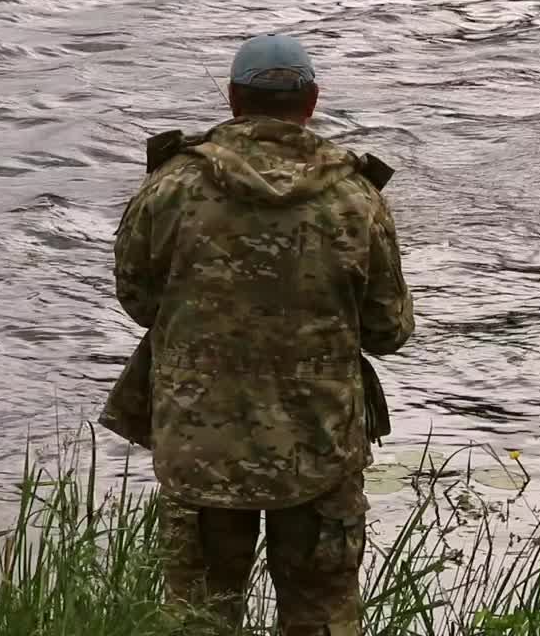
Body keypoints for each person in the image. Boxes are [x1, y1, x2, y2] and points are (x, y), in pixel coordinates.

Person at [110, 34, 415, 636]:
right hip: (319, 447)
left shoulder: (170, 187)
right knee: (321, 616)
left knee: (199, 618)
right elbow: (387, 332)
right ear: (312, 100)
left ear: (232, 99)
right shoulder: (357, 199)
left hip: (201, 448)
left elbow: (139, 302)